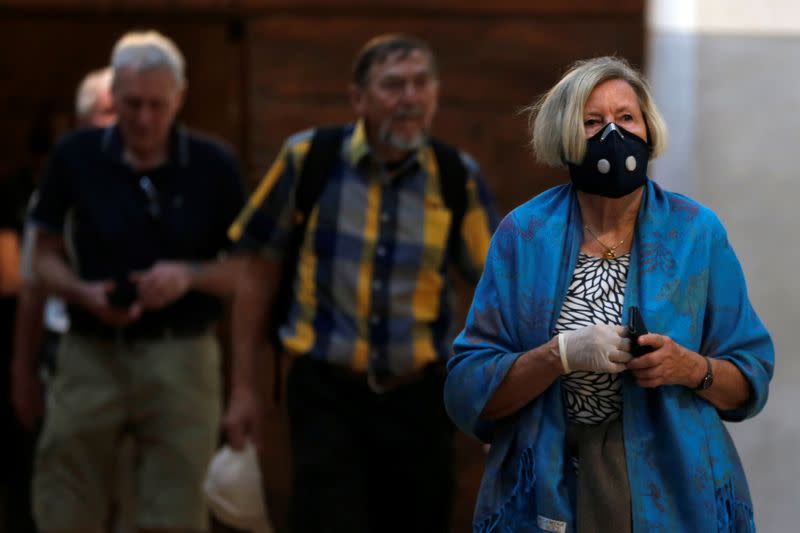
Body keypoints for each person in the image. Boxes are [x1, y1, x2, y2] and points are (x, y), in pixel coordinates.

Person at [444, 56, 774, 533]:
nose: (612, 136)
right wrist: (560, 354)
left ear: (648, 130)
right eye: (592, 122)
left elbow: (750, 377)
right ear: (566, 138)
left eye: (626, 118)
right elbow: (468, 386)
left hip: (675, 484)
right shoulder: (524, 234)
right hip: (551, 484)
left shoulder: (695, 232)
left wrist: (688, 367)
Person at [224, 33, 499, 533]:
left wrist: (499, 398)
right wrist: (243, 388)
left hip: (421, 402)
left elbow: (497, 293)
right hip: (326, 395)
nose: (410, 98)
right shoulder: (308, 160)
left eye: (421, 84)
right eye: (393, 85)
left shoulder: (456, 176)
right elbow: (255, 272)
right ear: (358, 99)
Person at [29, 30, 245, 533]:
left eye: (156, 105)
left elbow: (246, 271)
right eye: (131, 105)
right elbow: (41, 256)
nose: (144, 119)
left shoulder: (214, 166)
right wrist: (81, 291)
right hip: (90, 349)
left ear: (180, 98)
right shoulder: (76, 156)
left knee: (177, 504)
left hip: (181, 353)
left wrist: (187, 277)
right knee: (66, 492)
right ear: (114, 96)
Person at [13, 66, 116, 433]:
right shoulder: (57, 191)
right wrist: (22, 373)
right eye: (109, 112)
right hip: (70, 344)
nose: (123, 123)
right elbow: (32, 286)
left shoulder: (164, 182)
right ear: (84, 121)